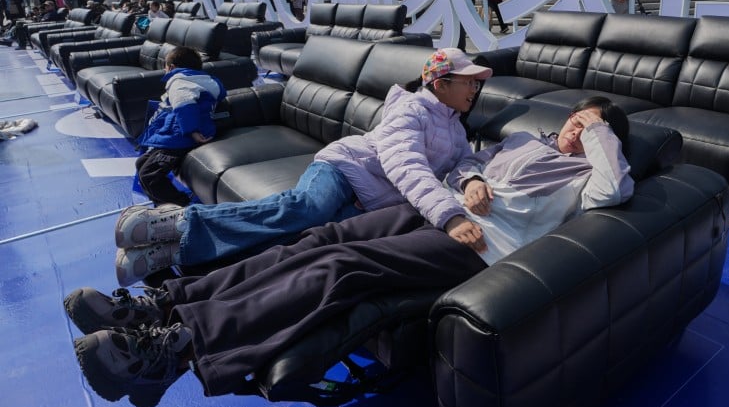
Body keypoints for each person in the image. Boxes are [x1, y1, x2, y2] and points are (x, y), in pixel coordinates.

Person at [64, 97, 632, 407]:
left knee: (345, 267)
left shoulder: (587, 177)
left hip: (481, 244)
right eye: (574, 119)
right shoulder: (525, 140)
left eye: (587, 126)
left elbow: (616, 190)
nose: (574, 130)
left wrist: (600, 131)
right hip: (441, 207)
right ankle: (163, 303)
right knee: (319, 239)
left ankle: (178, 349)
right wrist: (471, 180)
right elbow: (468, 162)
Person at [110, 48, 494, 286]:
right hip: (343, 168)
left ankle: (172, 254)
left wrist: (473, 178)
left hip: (371, 201)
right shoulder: (411, 110)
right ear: (441, 83)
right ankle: (175, 224)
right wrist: (448, 216)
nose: (475, 89)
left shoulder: (456, 131)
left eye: (477, 84)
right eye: (469, 81)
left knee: (306, 240)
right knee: (306, 208)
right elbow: (403, 162)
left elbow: (462, 163)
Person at [133, 47, 226, 207]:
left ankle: (181, 206)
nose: (164, 70)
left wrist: (192, 131)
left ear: (172, 67)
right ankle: (162, 204)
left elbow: (185, 105)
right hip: (180, 133)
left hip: (181, 137)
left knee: (149, 175)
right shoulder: (203, 80)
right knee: (141, 163)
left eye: (165, 66)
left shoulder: (179, 82)